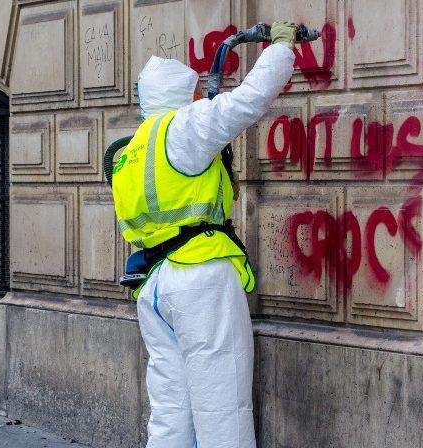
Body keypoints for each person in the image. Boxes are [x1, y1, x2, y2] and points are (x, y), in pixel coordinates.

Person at [110, 22, 299, 448]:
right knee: (221, 409)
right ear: (184, 96)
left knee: (171, 411)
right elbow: (248, 101)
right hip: (200, 277)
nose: (201, 99)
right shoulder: (183, 130)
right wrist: (282, 47)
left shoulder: (129, 152)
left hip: (154, 288)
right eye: (196, 94)